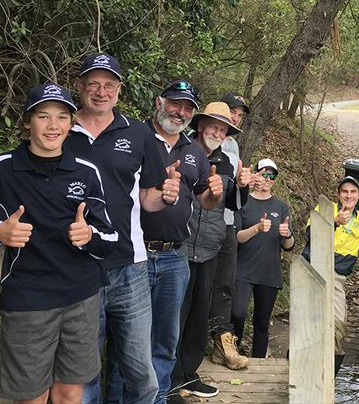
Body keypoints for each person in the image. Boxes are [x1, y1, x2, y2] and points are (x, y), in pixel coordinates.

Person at [0, 83, 118, 404]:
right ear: (27, 122)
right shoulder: (3, 169)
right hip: (29, 300)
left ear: (72, 124)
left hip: (82, 296)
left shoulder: (86, 171)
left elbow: (110, 238)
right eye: (43, 116)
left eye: (61, 117)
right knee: (29, 398)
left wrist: (88, 236)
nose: (53, 125)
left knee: (70, 394)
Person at [64, 53, 180, 404]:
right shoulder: (61, 131)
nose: (101, 92)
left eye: (109, 85)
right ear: (81, 87)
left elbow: (147, 199)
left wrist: (167, 196)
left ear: (119, 90)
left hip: (130, 267)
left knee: (141, 374)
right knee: (83, 377)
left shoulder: (139, 132)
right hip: (76, 268)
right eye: (94, 84)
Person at [109, 80, 223, 404]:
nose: (181, 111)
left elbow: (205, 200)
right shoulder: (135, 138)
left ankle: (156, 400)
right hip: (135, 255)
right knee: (127, 342)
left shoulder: (194, 151)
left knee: (164, 340)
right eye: (176, 103)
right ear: (159, 102)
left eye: (188, 107)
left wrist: (215, 192)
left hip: (175, 258)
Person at [170, 102, 250, 398]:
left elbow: (233, 205)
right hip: (180, 245)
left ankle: (188, 375)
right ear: (200, 125)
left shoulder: (226, 162)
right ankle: (168, 378)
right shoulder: (180, 151)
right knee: (175, 314)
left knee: (199, 316)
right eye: (213, 126)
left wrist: (241, 186)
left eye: (223, 128)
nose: (217, 132)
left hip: (210, 247)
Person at [302, 176, 359, 374]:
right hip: (312, 270)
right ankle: (301, 366)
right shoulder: (326, 208)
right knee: (308, 322)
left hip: (337, 277)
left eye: (353, 192)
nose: (348, 195)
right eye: (344, 192)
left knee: (338, 325)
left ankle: (329, 374)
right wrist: (334, 221)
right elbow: (309, 233)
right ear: (338, 194)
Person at [231, 159, 294, 357]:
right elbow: (237, 237)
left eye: (272, 175)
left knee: (262, 322)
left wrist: (287, 235)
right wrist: (256, 228)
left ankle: (258, 361)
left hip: (269, 272)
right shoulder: (244, 201)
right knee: (237, 314)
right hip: (243, 269)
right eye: (264, 173)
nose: (267, 179)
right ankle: (232, 352)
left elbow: (289, 247)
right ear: (256, 174)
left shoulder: (281, 207)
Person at [209, 91, 251, 369]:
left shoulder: (233, 145)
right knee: (198, 287)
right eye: (231, 111)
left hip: (227, 222)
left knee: (225, 284)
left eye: (239, 114)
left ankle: (222, 342)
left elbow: (235, 189)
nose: (236, 117)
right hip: (204, 223)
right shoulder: (201, 144)